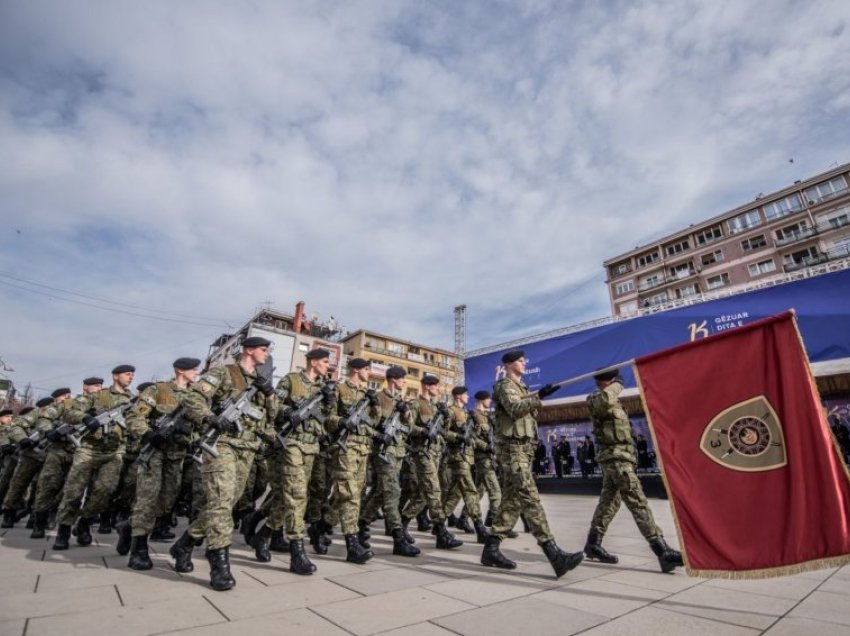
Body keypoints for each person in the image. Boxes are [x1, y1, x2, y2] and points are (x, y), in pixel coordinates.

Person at [170, 337, 277, 590]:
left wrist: (270, 393)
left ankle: (184, 544)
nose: (266, 354)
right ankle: (219, 563)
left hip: (247, 448)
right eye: (263, 349)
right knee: (220, 502)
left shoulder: (259, 383)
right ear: (249, 350)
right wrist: (210, 418)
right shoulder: (224, 372)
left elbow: (270, 418)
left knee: (224, 505)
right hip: (222, 445)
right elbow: (193, 399)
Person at [480, 349, 584, 578]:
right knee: (530, 498)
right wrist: (539, 397)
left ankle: (491, 549)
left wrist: (539, 396)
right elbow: (516, 410)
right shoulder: (504, 386)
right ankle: (554, 554)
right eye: (519, 361)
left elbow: (532, 413)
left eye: (523, 360)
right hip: (511, 451)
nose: (523, 363)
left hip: (523, 451)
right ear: (508, 365)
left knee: (512, 502)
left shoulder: (523, 389)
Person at [583, 370, 683, 573]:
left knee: (609, 503)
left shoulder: (614, 403)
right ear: (608, 381)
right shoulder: (596, 398)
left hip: (621, 458)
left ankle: (593, 544)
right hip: (616, 460)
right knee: (638, 502)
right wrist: (617, 385)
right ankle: (661, 550)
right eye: (615, 382)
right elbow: (604, 399)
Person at [122, 357, 200, 570]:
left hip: (177, 455)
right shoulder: (159, 390)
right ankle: (138, 550)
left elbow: (199, 424)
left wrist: (195, 441)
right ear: (179, 370)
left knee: (166, 501)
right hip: (155, 452)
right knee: (148, 497)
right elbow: (133, 416)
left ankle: (128, 527)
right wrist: (147, 434)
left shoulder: (196, 395)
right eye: (192, 369)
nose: (196, 372)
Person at [53, 365, 136, 550]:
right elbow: (69, 412)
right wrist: (85, 418)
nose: (130, 377)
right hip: (89, 449)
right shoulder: (98, 396)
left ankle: (84, 522)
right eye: (127, 374)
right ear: (115, 376)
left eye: (132, 375)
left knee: (105, 490)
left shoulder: (132, 400)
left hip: (115, 451)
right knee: (73, 491)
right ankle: (64, 530)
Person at [274, 348, 336, 573]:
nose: (327, 366)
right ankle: (297, 551)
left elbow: (327, 419)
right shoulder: (291, 380)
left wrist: (329, 399)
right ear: (312, 362)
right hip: (291, 443)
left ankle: (262, 534)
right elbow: (273, 406)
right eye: (325, 361)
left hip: (312, 447)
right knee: (297, 495)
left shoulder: (322, 387)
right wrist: (288, 411)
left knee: (293, 495)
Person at [360, 366, 419, 557]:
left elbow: (409, 429)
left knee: (379, 492)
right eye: (402, 379)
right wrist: (378, 435)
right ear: (393, 379)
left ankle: (361, 524)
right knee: (393, 492)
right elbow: (365, 423)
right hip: (383, 453)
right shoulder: (378, 398)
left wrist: (406, 414)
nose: (404, 383)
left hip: (398, 453)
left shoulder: (402, 402)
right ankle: (398, 537)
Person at [401, 374, 462, 550]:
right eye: (435, 386)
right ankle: (441, 532)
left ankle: (401, 524)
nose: (437, 389)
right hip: (422, 453)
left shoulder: (435, 407)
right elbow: (408, 427)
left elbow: (443, 431)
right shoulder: (415, 404)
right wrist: (422, 431)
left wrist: (445, 415)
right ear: (428, 386)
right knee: (434, 491)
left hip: (435, 454)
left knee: (422, 495)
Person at [442, 386, 488, 544]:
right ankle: (480, 528)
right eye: (465, 395)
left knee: (454, 495)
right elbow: (442, 432)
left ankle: (438, 524)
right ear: (458, 396)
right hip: (457, 457)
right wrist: (459, 437)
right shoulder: (450, 411)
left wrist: (475, 427)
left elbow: (472, 436)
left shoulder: (468, 413)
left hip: (467, 458)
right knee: (470, 491)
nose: (468, 397)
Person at [471, 390, 501, 526]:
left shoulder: (488, 416)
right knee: (495, 491)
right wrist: (486, 447)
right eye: (488, 399)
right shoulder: (473, 415)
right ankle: (496, 523)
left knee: (479, 491)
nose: (490, 401)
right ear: (481, 399)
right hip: (481, 458)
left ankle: (463, 518)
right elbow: (471, 438)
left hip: (489, 457)